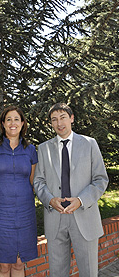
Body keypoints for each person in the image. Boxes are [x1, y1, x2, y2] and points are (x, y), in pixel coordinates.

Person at [33, 102, 109, 277]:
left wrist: (81, 200)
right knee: (57, 273)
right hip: (55, 218)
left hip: (84, 216)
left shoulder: (90, 144)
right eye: (54, 120)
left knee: (89, 272)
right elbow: (39, 181)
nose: (59, 123)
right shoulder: (44, 148)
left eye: (63, 118)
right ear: (51, 123)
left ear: (71, 118)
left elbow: (100, 179)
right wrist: (50, 199)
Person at [0, 105, 38, 277]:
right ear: (3, 124)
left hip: (25, 212)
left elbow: (32, 181)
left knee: (20, 263)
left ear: (22, 123)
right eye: (8, 119)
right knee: (4, 265)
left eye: (16, 119)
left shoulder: (30, 150)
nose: (12, 123)